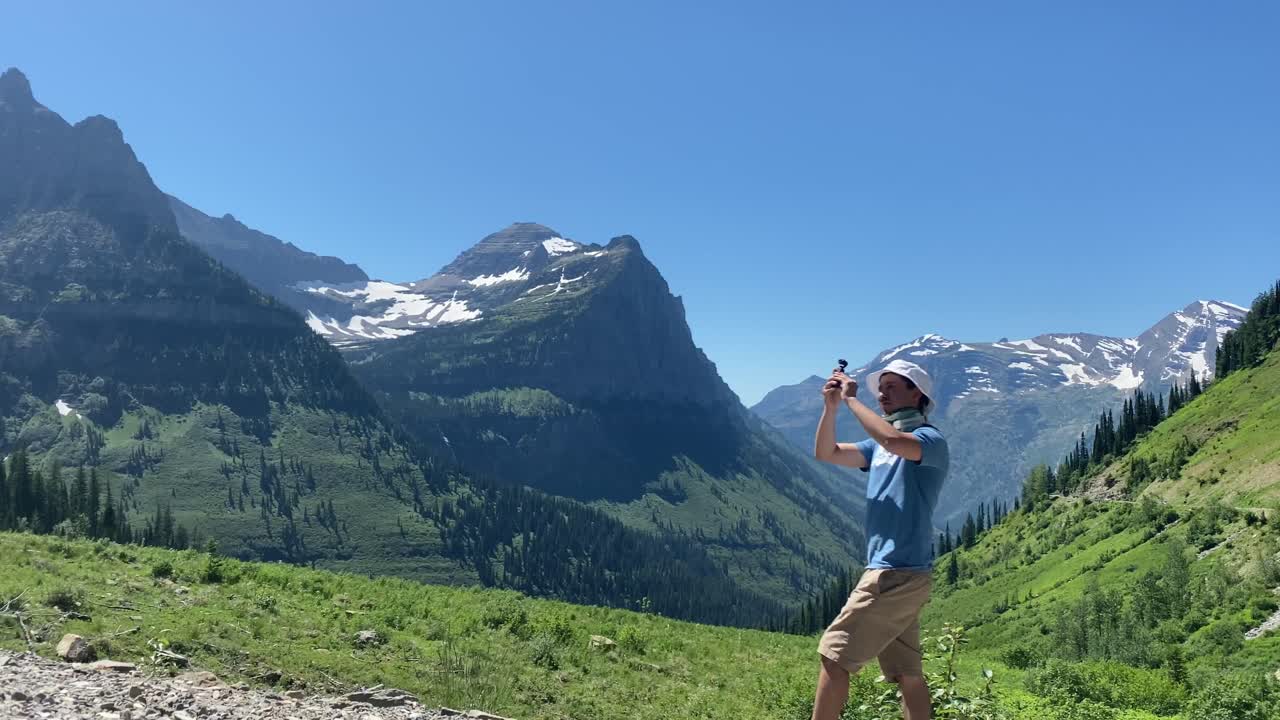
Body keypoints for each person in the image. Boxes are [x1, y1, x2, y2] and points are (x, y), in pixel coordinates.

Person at [810, 358, 949, 720]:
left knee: (833, 654)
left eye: (891, 387)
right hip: (901, 572)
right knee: (907, 673)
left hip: (894, 574)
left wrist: (853, 400)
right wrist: (831, 407)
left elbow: (893, 438)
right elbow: (826, 452)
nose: (882, 395)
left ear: (916, 394)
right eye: (880, 388)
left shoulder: (929, 441)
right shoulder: (878, 449)